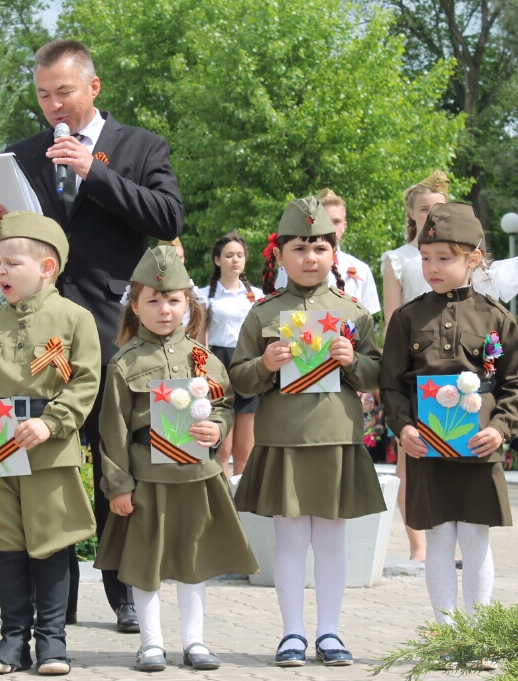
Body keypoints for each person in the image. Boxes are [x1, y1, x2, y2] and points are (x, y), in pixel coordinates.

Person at [0, 39, 183, 633]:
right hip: (37, 340)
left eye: (64, 92)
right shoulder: (22, 154)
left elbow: (169, 218)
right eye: (42, 95)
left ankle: (126, 592)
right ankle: (55, 607)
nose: (53, 106)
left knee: (115, 462)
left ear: (93, 87)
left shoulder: (140, 147)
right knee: (46, 467)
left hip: (112, 326)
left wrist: (96, 174)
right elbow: (1, 245)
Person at [231, 198, 384, 667]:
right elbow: (237, 376)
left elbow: (375, 372)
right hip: (283, 439)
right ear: (280, 255)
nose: (310, 257)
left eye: (320, 247)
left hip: (336, 436)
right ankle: (292, 633)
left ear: (333, 253)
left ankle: (331, 633)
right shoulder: (263, 313)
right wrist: (265, 364)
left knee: (332, 539)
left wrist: (350, 360)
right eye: (299, 248)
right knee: (291, 539)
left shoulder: (353, 313)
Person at [94, 246, 257, 672]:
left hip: (196, 474)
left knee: (193, 559)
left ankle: (194, 641)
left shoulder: (203, 359)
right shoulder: (124, 363)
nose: (164, 309)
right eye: (152, 299)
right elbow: (111, 430)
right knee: (146, 560)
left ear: (188, 303)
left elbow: (223, 404)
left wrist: (217, 428)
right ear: (134, 305)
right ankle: (151, 643)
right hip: (148, 476)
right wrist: (119, 485)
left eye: (173, 300)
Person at [0, 212, 100, 675]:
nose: (1, 271)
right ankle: (11, 639)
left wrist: (52, 423)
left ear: (47, 268)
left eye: (12, 263)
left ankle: (52, 641)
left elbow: (86, 382)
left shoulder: (75, 319)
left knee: (51, 543)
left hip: (49, 447)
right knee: (9, 543)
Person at [380, 202, 518, 646]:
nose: (433, 267)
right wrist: (403, 428)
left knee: (476, 539)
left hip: (479, 448)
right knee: (440, 537)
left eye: (445, 258)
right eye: (426, 258)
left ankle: (477, 636)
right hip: (429, 448)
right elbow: (391, 386)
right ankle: (447, 638)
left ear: (473, 258)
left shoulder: (496, 318)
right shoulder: (408, 318)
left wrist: (499, 429)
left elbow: (513, 384)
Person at [380, 171, 449, 562]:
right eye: (424, 208)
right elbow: (392, 318)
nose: (431, 215)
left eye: (438, 207)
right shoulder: (399, 259)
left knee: (450, 452)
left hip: (452, 365)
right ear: (411, 212)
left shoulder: (457, 255)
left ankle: (444, 536)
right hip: (414, 364)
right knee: (412, 454)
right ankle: (418, 544)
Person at [196, 232, 264, 477]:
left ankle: (244, 510)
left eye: (240, 255)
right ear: (217, 260)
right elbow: (198, 337)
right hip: (217, 366)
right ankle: (223, 507)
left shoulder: (257, 297)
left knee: (245, 451)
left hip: (248, 364)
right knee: (222, 449)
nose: (235, 260)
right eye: (228, 255)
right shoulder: (204, 295)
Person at [275, 189, 380, 315]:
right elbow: (278, 310)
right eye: (326, 221)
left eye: (336, 222)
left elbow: (367, 320)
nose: (331, 228)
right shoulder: (291, 265)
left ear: (344, 225)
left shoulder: (361, 269)